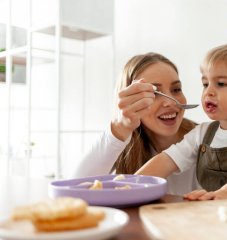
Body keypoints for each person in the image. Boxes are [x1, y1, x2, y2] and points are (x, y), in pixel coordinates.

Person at [136, 43, 227, 200]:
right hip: (221, 215)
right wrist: (132, 184)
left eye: (221, 84)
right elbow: (167, 160)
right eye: (205, 84)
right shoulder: (202, 133)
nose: (209, 91)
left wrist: (224, 194)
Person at [71, 52, 199, 195]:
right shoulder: (124, 145)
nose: (169, 102)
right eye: (155, 93)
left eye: (176, 89)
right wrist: (120, 127)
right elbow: (75, 189)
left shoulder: (205, 139)